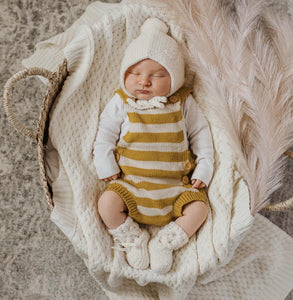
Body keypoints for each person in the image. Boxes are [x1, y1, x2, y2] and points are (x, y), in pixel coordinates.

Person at [93, 18, 214, 274]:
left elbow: (201, 134)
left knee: (199, 209)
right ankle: (133, 239)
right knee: (106, 203)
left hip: (175, 188)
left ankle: (166, 242)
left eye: (157, 75)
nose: (144, 82)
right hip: (132, 186)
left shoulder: (182, 102)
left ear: (175, 79)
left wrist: (204, 168)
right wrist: (105, 163)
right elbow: (105, 134)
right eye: (135, 74)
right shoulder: (122, 102)